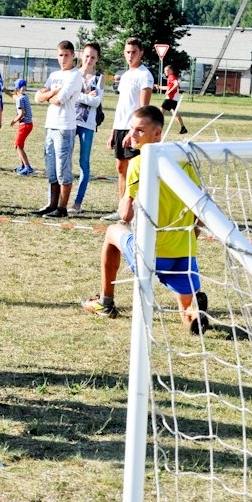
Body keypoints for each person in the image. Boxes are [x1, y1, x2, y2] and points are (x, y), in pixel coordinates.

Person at [82, 105, 208, 333]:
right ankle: (195, 314)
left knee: (112, 231)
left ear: (157, 133)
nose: (132, 135)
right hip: (183, 252)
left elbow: (125, 215)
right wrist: (193, 235)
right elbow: (202, 211)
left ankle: (106, 302)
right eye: (131, 129)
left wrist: (125, 199)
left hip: (150, 252)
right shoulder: (182, 159)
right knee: (186, 311)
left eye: (139, 130)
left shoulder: (139, 163)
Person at [103, 38, 153, 221]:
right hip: (120, 128)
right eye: (127, 52)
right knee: (120, 168)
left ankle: (137, 210)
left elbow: (143, 109)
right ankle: (122, 209)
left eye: (133, 52)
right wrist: (113, 132)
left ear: (141, 53)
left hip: (134, 130)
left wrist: (133, 131)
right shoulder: (124, 76)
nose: (130, 55)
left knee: (135, 170)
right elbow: (121, 106)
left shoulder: (144, 75)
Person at [32, 41, 83, 218]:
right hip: (50, 125)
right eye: (60, 55)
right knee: (51, 168)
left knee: (63, 169)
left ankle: (62, 207)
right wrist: (51, 94)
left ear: (73, 55)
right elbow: (38, 97)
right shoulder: (54, 75)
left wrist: (50, 95)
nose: (63, 59)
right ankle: (51, 204)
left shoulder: (75, 75)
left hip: (65, 126)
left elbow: (59, 100)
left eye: (66, 55)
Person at [70, 42, 104, 214]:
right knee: (64, 161)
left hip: (88, 125)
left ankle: (77, 202)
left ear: (97, 59)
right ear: (81, 55)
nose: (89, 59)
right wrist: (85, 96)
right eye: (87, 55)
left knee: (84, 163)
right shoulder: (73, 74)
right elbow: (70, 95)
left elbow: (96, 101)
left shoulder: (99, 78)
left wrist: (79, 96)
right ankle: (60, 199)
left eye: (93, 57)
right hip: (69, 122)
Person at [10, 79, 34, 175]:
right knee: (18, 145)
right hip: (29, 124)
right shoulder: (25, 97)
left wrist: (13, 121)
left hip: (24, 125)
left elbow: (21, 114)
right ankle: (23, 165)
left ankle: (28, 167)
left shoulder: (20, 100)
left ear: (16, 88)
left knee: (18, 145)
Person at [161, 65, 187, 134]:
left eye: (166, 70)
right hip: (174, 99)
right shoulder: (171, 77)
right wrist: (159, 87)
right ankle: (183, 128)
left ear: (171, 70)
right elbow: (169, 87)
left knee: (160, 113)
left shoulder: (171, 76)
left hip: (170, 98)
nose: (165, 72)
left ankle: (156, 128)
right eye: (164, 70)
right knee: (175, 113)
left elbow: (176, 84)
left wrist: (169, 91)